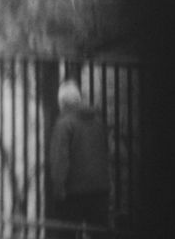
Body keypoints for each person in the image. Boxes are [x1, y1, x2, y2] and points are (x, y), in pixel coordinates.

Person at [47, 79, 111, 235]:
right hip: (100, 191)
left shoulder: (64, 124)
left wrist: (58, 189)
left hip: (73, 193)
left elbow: (60, 160)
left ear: (62, 103)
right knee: (99, 234)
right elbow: (105, 152)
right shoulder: (97, 121)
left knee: (66, 234)